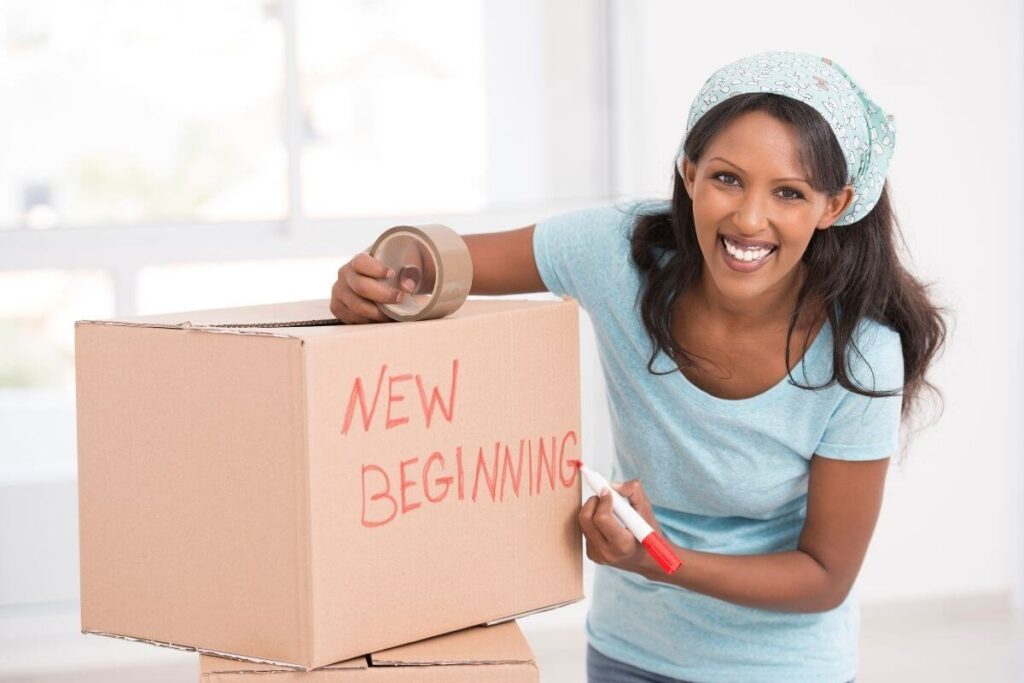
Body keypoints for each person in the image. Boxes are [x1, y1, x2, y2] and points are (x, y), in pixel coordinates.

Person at [329, 50, 947, 683]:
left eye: (788, 193)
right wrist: (378, 278)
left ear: (833, 205)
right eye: (727, 178)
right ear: (688, 171)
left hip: (784, 667)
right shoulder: (618, 252)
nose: (749, 218)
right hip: (630, 654)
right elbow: (439, 264)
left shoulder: (862, 352)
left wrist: (665, 562)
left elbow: (824, 577)